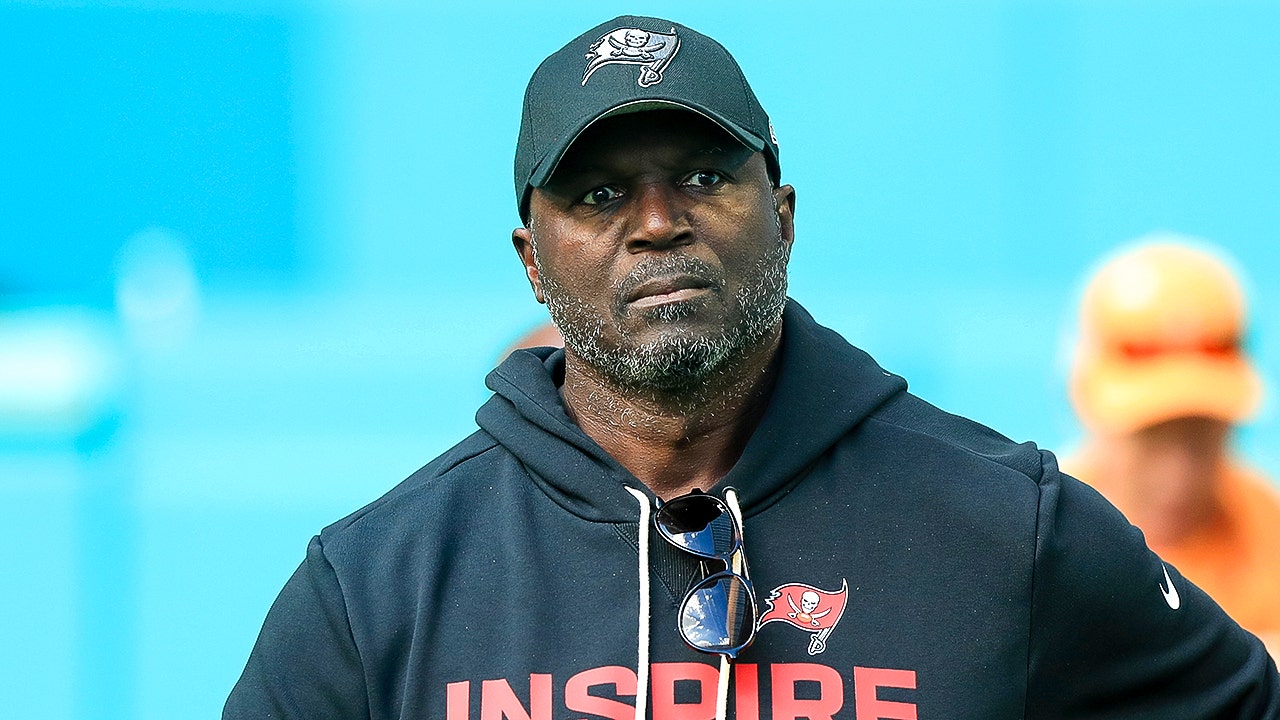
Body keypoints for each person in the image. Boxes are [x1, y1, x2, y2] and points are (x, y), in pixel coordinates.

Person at [224, 16, 1280, 720]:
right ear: (531, 262)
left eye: (700, 175)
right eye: (598, 194)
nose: (656, 223)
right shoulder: (376, 587)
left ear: (781, 216)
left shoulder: (1012, 530)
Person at [1064, 238, 1280, 657]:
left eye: (1201, 435)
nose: (1177, 473)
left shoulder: (1267, 534)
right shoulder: (1043, 541)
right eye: (1152, 437)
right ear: (1084, 402)